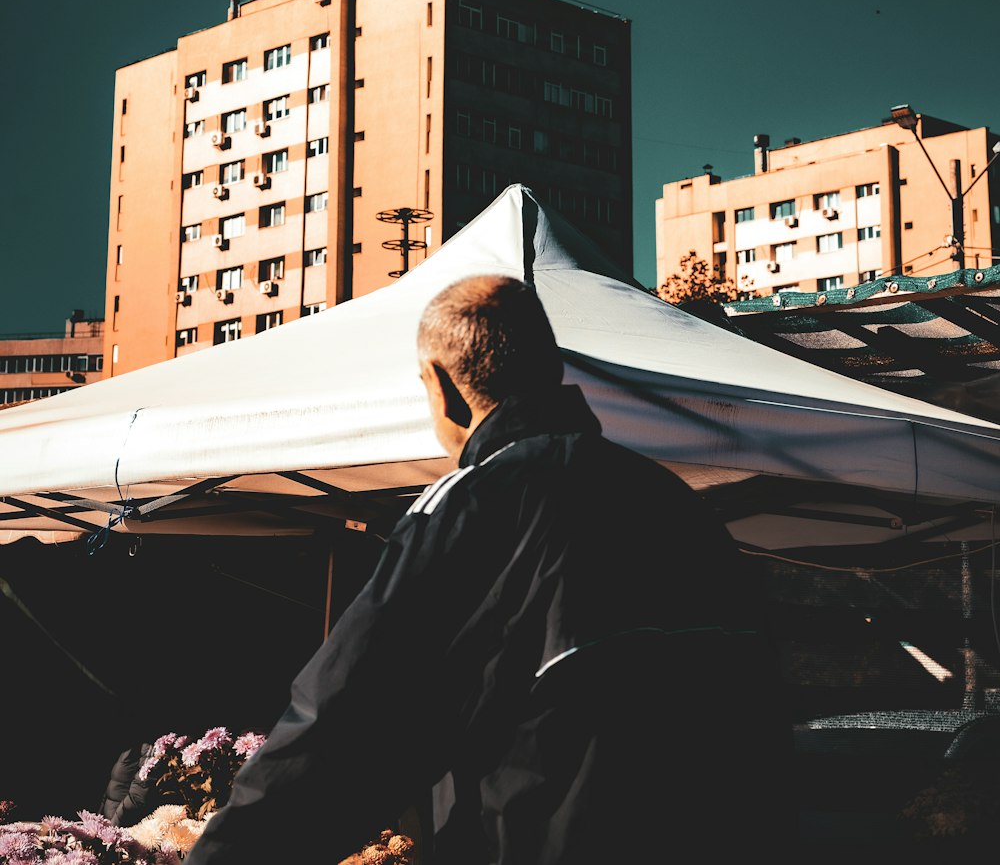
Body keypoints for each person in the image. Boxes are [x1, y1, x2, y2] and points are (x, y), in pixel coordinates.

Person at [186, 274, 796, 864]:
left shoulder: (475, 504)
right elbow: (764, 709)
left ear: (442, 386)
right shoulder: (675, 503)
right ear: (553, 369)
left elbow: (352, 721)